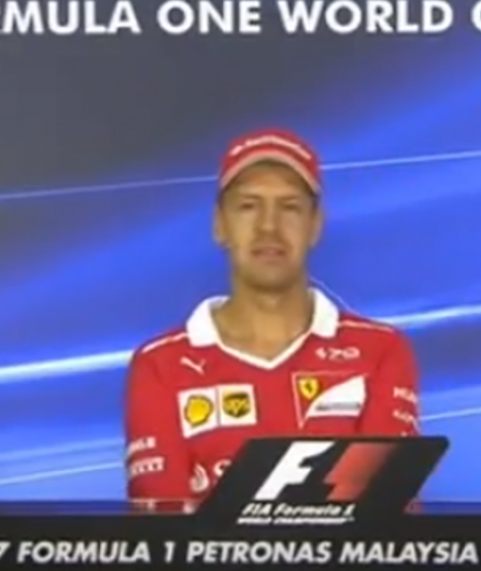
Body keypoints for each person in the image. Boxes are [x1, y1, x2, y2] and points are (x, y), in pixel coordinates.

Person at [124, 128, 421, 504]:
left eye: (289, 207)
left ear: (315, 225)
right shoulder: (160, 365)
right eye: (248, 206)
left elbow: (386, 512)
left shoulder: (380, 352)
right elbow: (162, 525)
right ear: (219, 225)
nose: (268, 226)